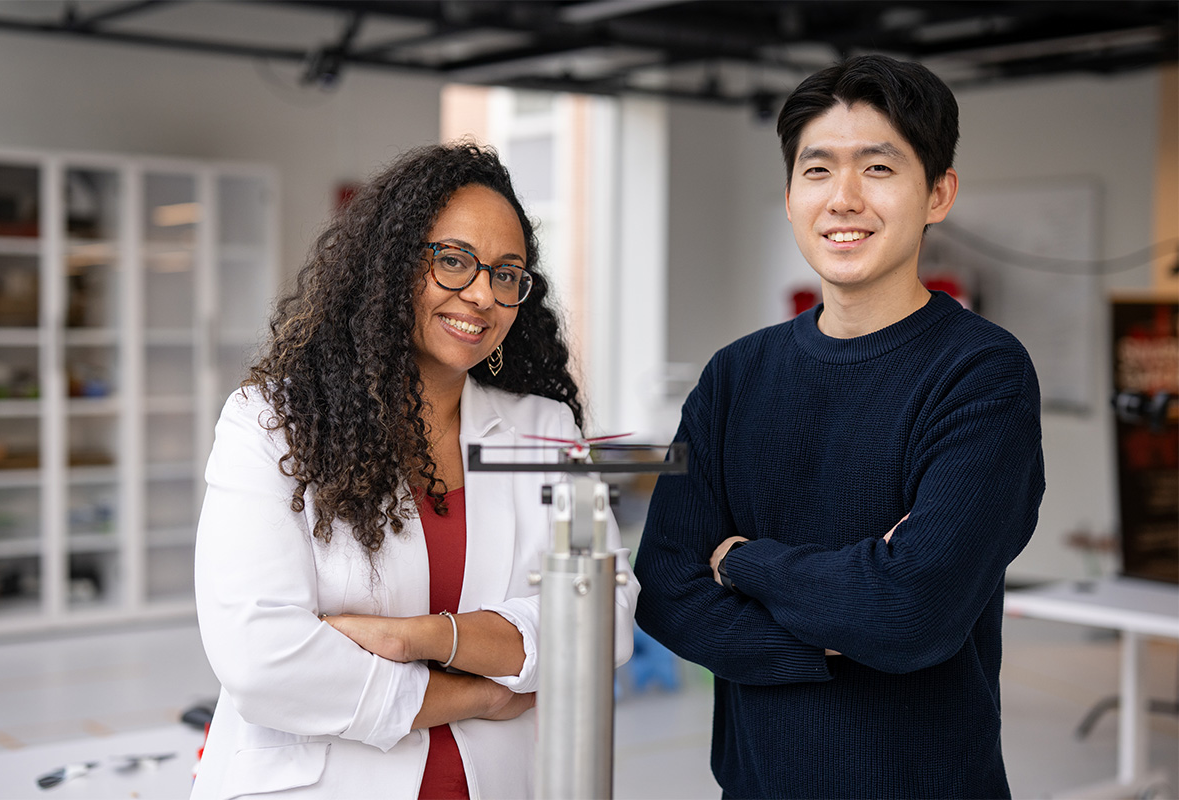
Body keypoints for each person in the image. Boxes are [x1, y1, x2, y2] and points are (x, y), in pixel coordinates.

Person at [633, 54, 1046, 799]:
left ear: (937, 193)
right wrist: (836, 630)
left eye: (879, 169)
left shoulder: (982, 375)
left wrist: (743, 564)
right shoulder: (734, 377)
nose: (844, 199)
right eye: (817, 170)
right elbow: (665, 588)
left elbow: (913, 608)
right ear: (791, 196)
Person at [191, 143, 639, 800]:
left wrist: (419, 639)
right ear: (392, 266)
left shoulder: (542, 431)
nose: (483, 294)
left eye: (507, 273)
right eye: (454, 262)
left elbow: (602, 620)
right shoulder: (271, 423)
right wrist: (476, 696)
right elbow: (262, 662)